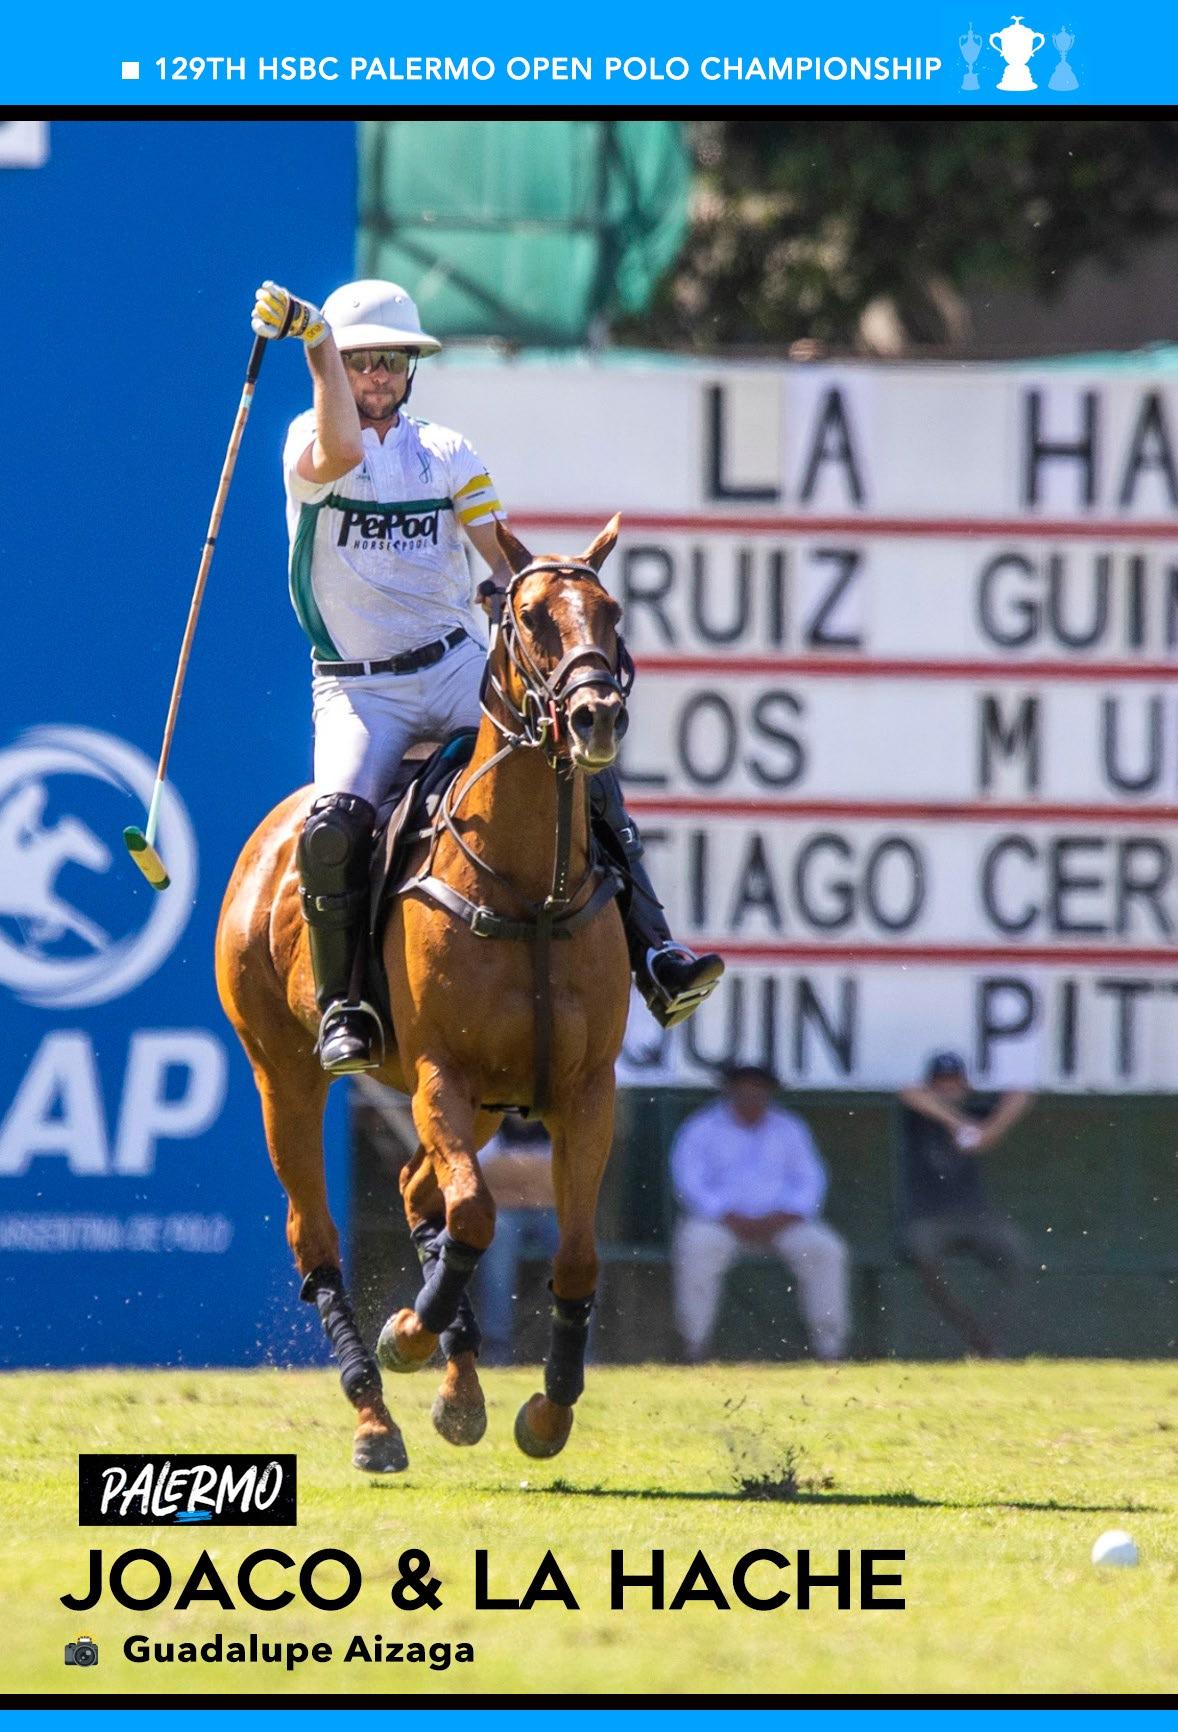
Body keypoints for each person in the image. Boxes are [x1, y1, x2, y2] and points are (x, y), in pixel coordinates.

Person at [250, 279, 723, 1075]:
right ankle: (345, 1005)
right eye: (363, 361)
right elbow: (341, 451)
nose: (378, 375)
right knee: (333, 830)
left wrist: (546, 592)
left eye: (392, 360)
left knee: (581, 777)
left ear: (411, 369)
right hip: (359, 690)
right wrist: (317, 342)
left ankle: (655, 955)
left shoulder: (446, 452)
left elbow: (502, 556)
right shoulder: (311, 439)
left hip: (453, 664)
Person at [669, 1065, 850, 1362]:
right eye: (744, 1090)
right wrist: (725, 1213)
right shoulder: (702, 1127)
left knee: (826, 1249)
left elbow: (810, 1179)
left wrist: (787, 1214)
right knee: (697, 1245)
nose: (751, 1097)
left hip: (782, 1223)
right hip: (722, 1223)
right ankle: (694, 1347)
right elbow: (689, 1181)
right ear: (730, 1091)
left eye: (758, 1091)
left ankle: (830, 1350)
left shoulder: (789, 1127)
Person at [898, 1052, 1035, 1356]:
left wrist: (991, 1130)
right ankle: (968, 1334)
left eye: (954, 1082)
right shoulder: (919, 1114)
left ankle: (988, 1342)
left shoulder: (978, 1110)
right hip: (928, 1218)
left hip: (976, 1216)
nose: (948, 1088)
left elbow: (1021, 1093)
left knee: (1016, 1254)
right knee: (924, 1256)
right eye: (941, 1082)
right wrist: (958, 1124)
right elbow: (908, 1093)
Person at [472, 1116, 560, 1365]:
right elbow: (482, 1178)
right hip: (504, 1213)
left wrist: (508, 1174)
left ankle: (578, 1348)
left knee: (579, 1249)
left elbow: (563, 1180)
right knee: (498, 1241)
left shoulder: (555, 1124)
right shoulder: (489, 1123)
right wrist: (539, 1176)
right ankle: (497, 1350)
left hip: (551, 1212)